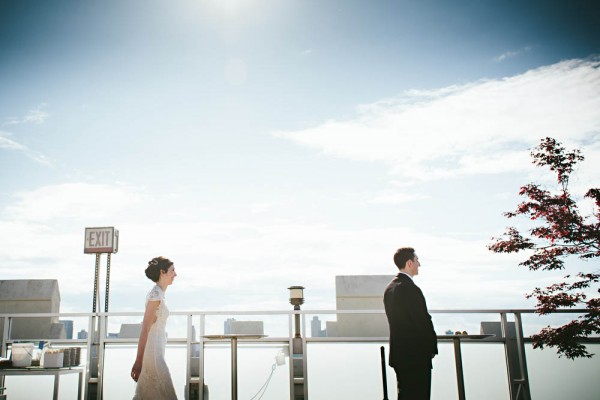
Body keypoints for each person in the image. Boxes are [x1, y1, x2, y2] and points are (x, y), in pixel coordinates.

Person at [383, 247, 438, 400]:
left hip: (400, 354)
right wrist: (431, 347)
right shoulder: (410, 289)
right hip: (416, 355)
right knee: (419, 394)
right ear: (409, 263)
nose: (419, 264)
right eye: (417, 260)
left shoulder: (390, 289)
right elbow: (422, 321)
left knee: (405, 394)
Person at [131, 256, 178, 399]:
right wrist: (138, 361)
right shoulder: (155, 295)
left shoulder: (160, 294)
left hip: (157, 351)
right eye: (172, 270)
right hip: (153, 354)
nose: (175, 274)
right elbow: (145, 328)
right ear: (162, 272)